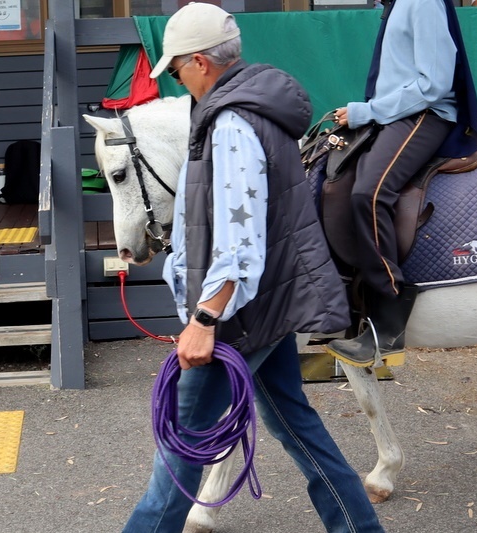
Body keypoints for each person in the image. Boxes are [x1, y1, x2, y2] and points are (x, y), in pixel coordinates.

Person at [122, 4, 384, 532]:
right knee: (297, 427)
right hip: (266, 305)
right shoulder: (254, 108)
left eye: (176, 71)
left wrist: (205, 319)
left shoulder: (231, 122)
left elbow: (241, 238)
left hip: (237, 318)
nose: (177, 82)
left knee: (180, 450)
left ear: (201, 62)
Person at [326, 0, 477, 368]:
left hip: (425, 116)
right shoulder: (395, 4)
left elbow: (435, 84)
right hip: (397, 115)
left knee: (369, 192)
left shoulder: (422, 2)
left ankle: (388, 313)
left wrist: (368, 112)